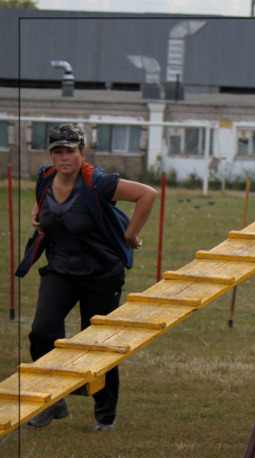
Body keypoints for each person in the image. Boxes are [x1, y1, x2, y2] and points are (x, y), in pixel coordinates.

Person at [16, 123, 158, 432]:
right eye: (57, 151)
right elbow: (45, 208)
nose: (63, 157)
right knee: (42, 332)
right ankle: (52, 401)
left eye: (69, 151)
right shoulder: (45, 178)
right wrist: (38, 216)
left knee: (98, 346)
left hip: (101, 275)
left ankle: (104, 416)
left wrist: (131, 235)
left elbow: (148, 194)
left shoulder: (99, 182)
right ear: (51, 155)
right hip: (61, 271)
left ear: (82, 153)